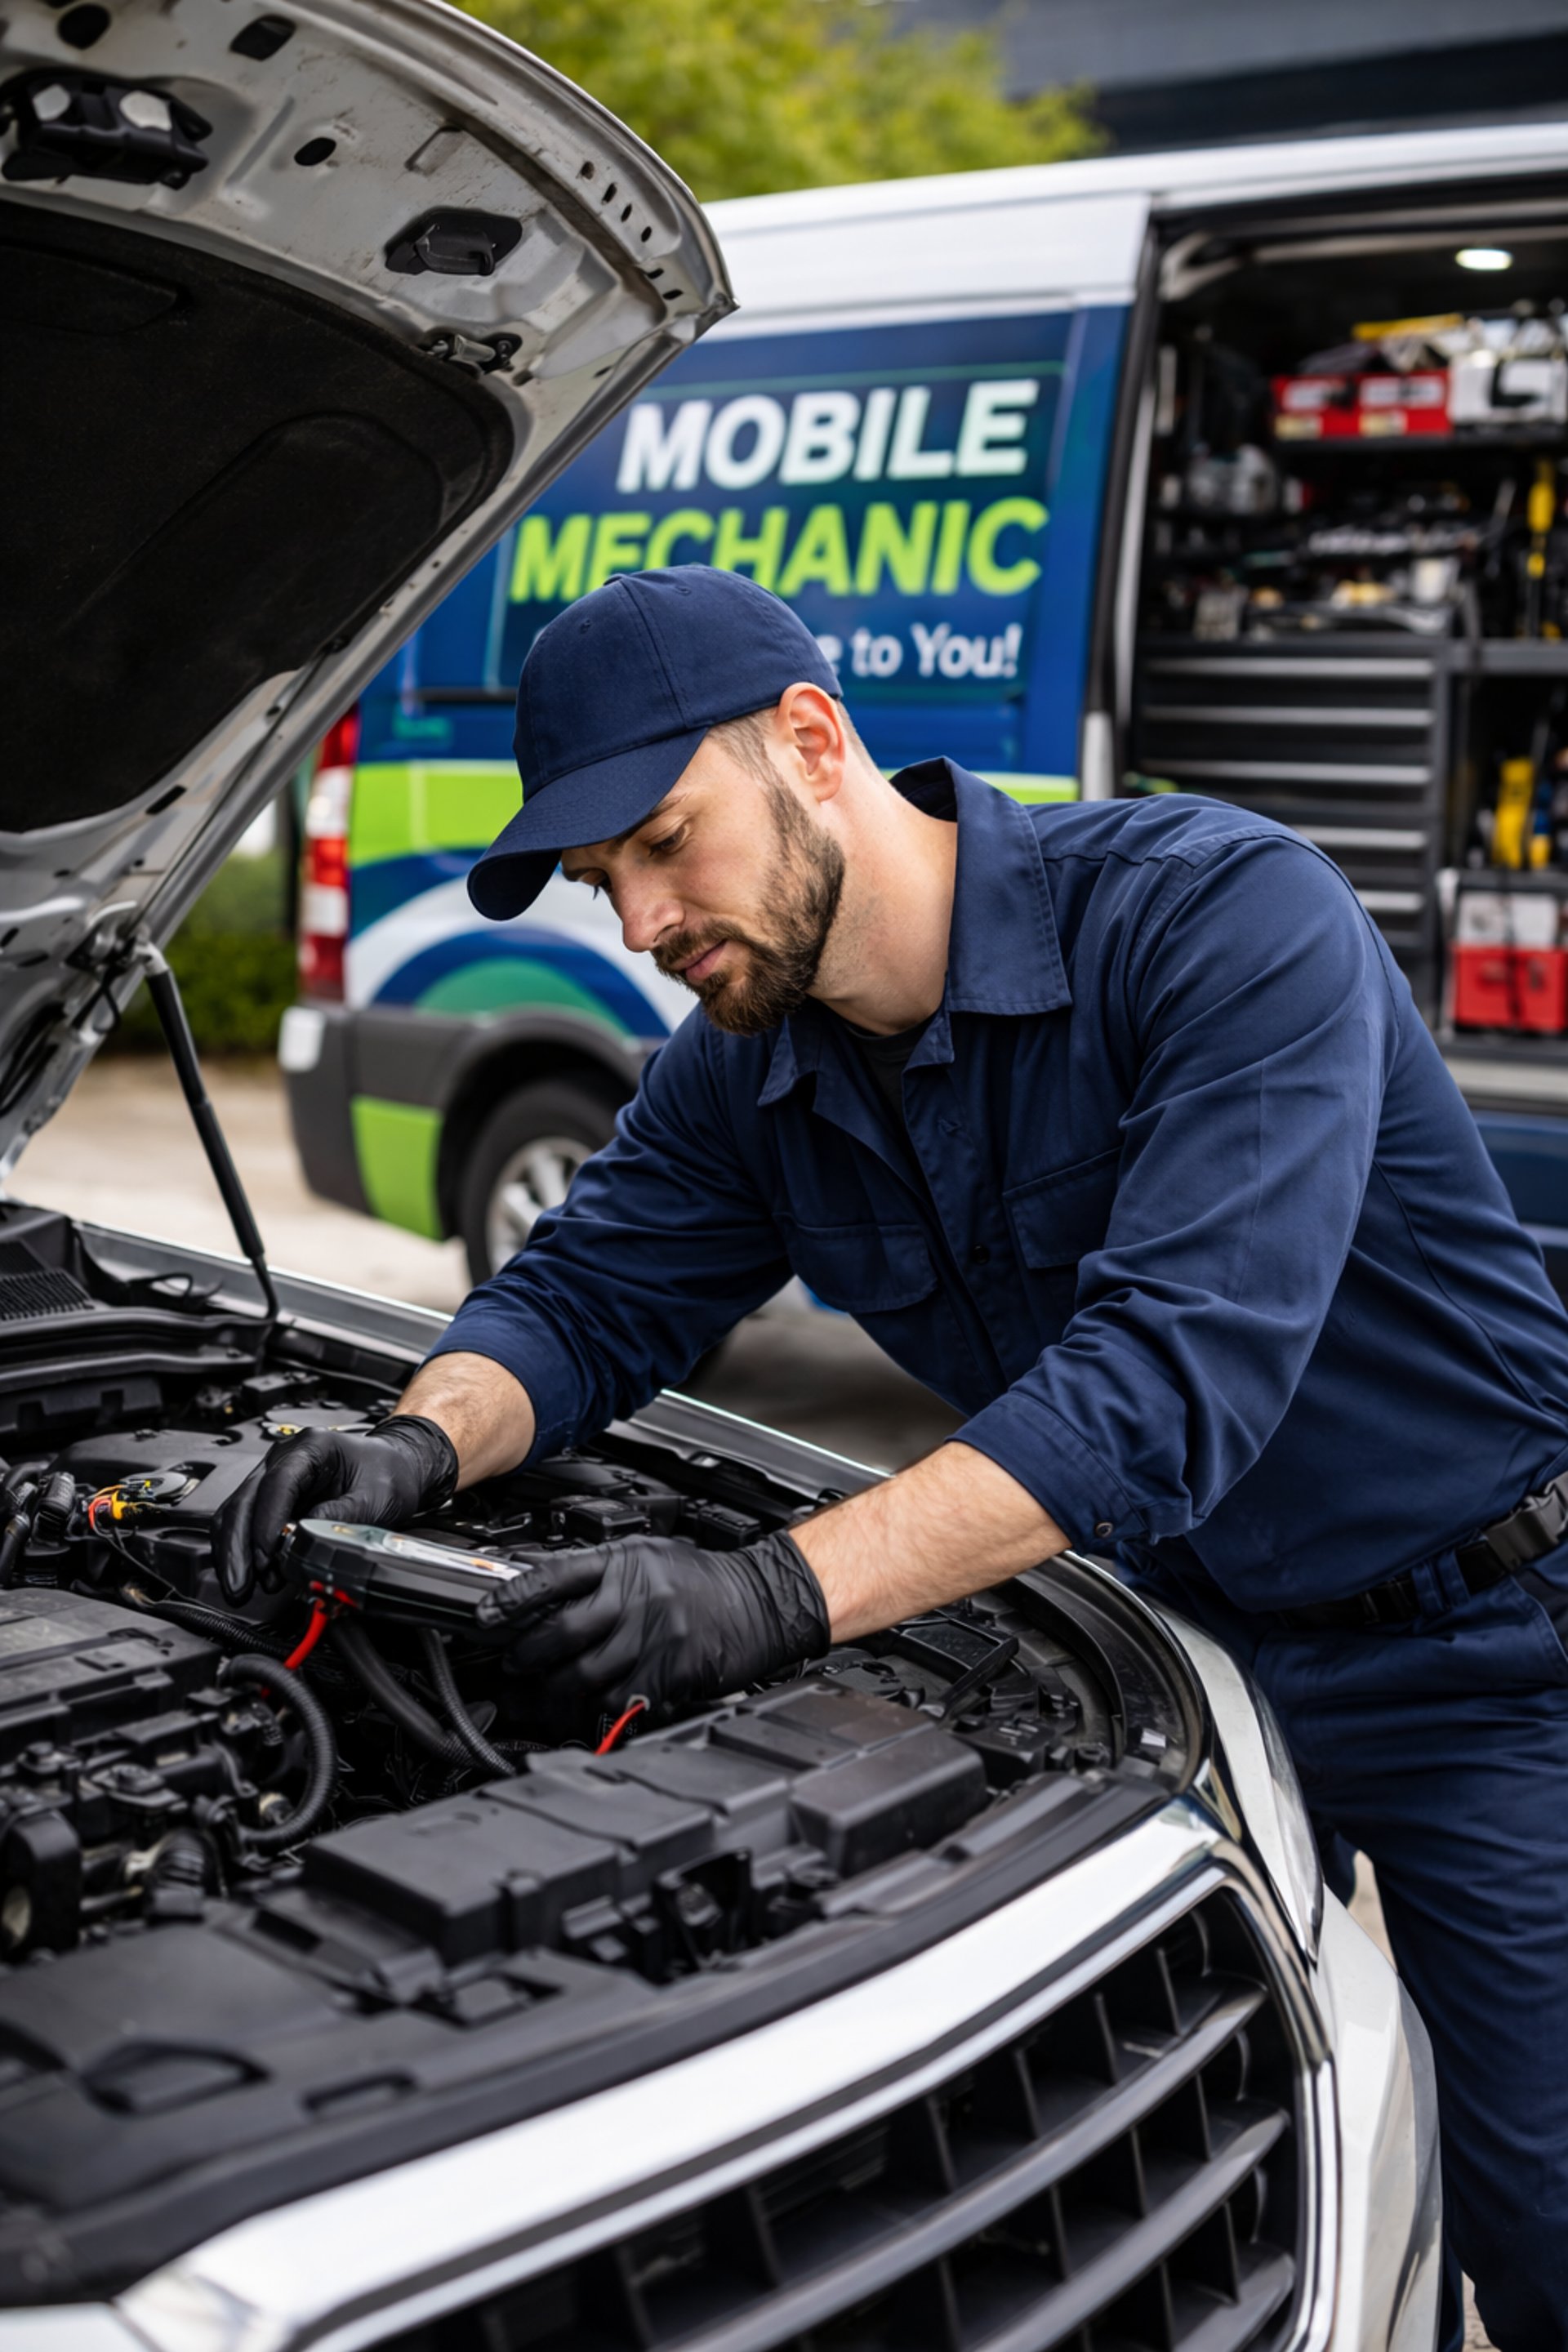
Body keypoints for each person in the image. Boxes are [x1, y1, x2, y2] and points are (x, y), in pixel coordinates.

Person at [220, 565, 1568, 2350]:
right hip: (1182, 1660)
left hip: (1487, 1657)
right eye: (599, 879)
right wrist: (408, 1448)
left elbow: (1165, 1385)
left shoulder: (1220, 916)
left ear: (814, 738)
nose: (637, 919)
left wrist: (774, 1593)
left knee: (1544, 2234)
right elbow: (579, 1298)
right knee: (1217, 2197)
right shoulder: (747, 1065)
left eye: (660, 841)